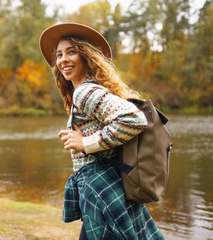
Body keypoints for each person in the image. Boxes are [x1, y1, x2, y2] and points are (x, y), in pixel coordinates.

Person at [39, 22, 164, 239]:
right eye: (59, 55)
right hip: (104, 186)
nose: (63, 60)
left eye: (71, 52)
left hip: (103, 186)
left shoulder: (84, 92)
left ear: (85, 56)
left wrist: (85, 143)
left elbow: (134, 119)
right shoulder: (84, 90)